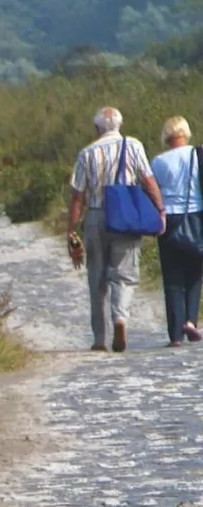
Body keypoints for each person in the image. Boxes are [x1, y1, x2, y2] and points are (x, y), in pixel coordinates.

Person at [69, 107, 167, 353]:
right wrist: (160, 210)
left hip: (95, 216)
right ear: (120, 125)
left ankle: (100, 338)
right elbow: (149, 180)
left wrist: (71, 231)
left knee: (97, 279)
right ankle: (120, 319)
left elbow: (78, 196)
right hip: (125, 217)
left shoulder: (86, 153)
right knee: (124, 276)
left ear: (97, 128)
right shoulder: (133, 146)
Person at [151, 115, 203, 346]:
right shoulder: (198, 154)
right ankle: (191, 321)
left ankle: (175, 335)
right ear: (186, 132)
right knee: (195, 273)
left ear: (166, 135)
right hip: (197, 216)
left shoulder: (159, 162)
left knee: (172, 278)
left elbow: (154, 191)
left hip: (168, 219)